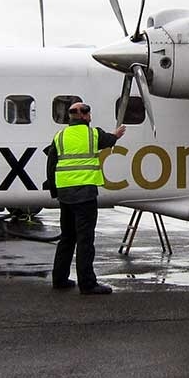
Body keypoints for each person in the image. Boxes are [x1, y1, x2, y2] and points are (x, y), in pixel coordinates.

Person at [44, 101, 126, 294]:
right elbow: (110, 140)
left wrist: (55, 192)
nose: (90, 115)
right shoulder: (92, 134)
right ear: (83, 115)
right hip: (85, 196)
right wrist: (117, 133)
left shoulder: (60, 136)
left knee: (67, 238)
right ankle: (87, 284)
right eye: (88, 112)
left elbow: (51, 165)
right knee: (85, 240)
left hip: (65, 194)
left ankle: (60, 278)